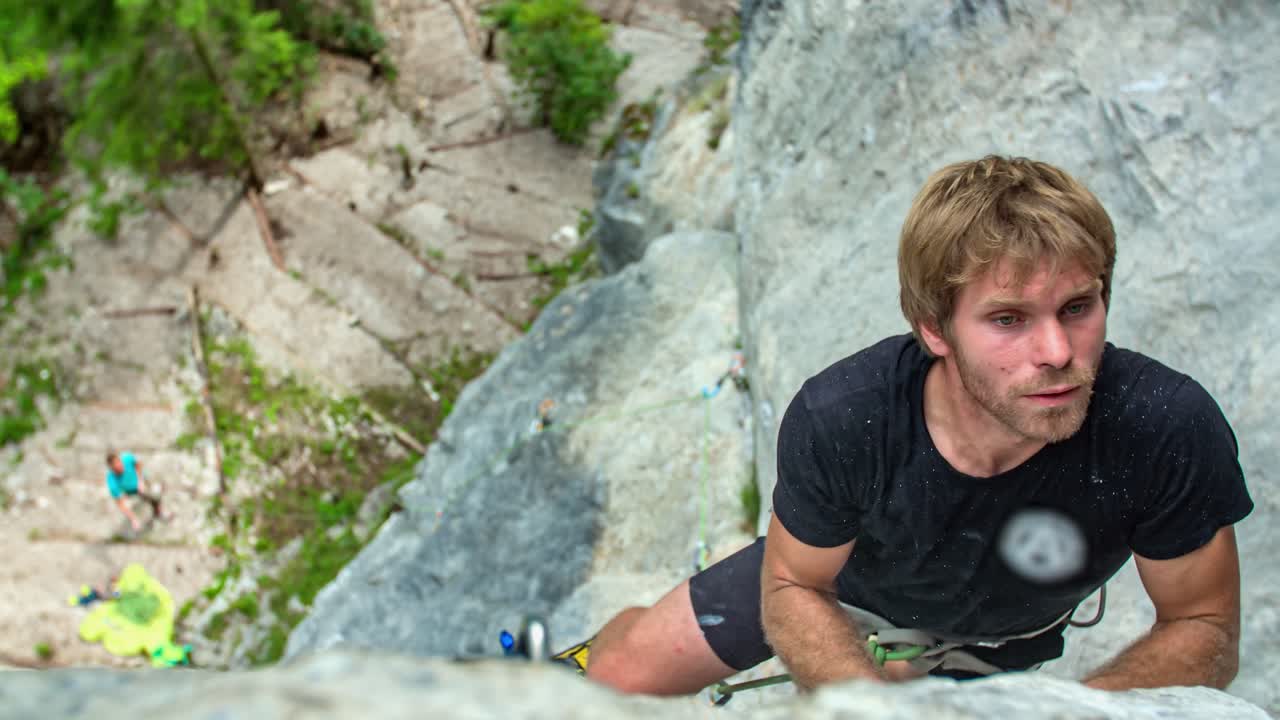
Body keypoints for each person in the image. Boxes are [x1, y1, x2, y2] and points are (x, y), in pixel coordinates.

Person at [573, 155, 1254, 695]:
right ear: (933, 328)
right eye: (1008, 319)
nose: (1055, 352)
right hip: (835, 586)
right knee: (620, 675)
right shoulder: (848, 416)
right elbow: (792, 586)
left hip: (996, 642)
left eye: (1078, 307)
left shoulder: (1164, 427)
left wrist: (1076, 709)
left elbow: (1203, 626)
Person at [105, 450, 169, 531]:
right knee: (127, 505)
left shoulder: (127, 458)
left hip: (142, 482)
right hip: (131, 493)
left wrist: (140, 481)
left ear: (120, 460)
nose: (119, 468)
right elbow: (120, 503)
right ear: (112, 469)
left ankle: (159, 511)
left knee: (155, 491)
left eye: (119, 464)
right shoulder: (111, 480)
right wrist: (133, 519)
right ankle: (140, 521)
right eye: (116, 468)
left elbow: (138, 465)